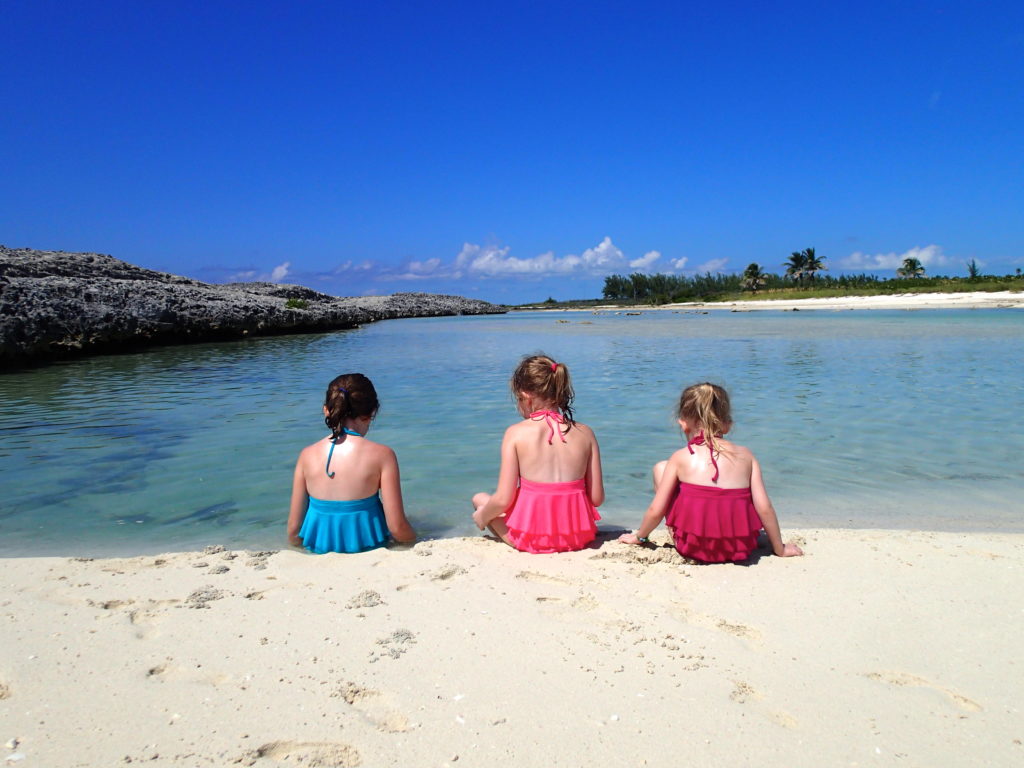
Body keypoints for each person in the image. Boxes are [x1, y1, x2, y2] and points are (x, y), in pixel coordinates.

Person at [619, 382, 803, 562]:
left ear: (683, 423)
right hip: (740, 547)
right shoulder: (747, 456)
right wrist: (780, 548)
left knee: (661, 468)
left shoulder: (680, 457)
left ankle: (682, 532)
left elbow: (655, 510)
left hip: (692, 547)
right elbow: (764, 508)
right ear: (728, 424)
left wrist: (640, 537)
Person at [472, 354, 604, 553]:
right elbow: (597, 499)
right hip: (579, 537)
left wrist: (482, 517)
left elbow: (502, 500)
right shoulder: (586, 433)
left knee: (480, 499)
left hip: (530, 540)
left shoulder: (515, 433)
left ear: (525, 396)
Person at [287, 373, 415, 553]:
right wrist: (419, 538)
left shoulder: (306, 455)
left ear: (326, 410)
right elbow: (397, 527)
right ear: (372, 412)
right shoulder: (383, 455)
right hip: (368, 547)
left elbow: (293, 530)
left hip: (318, 549)